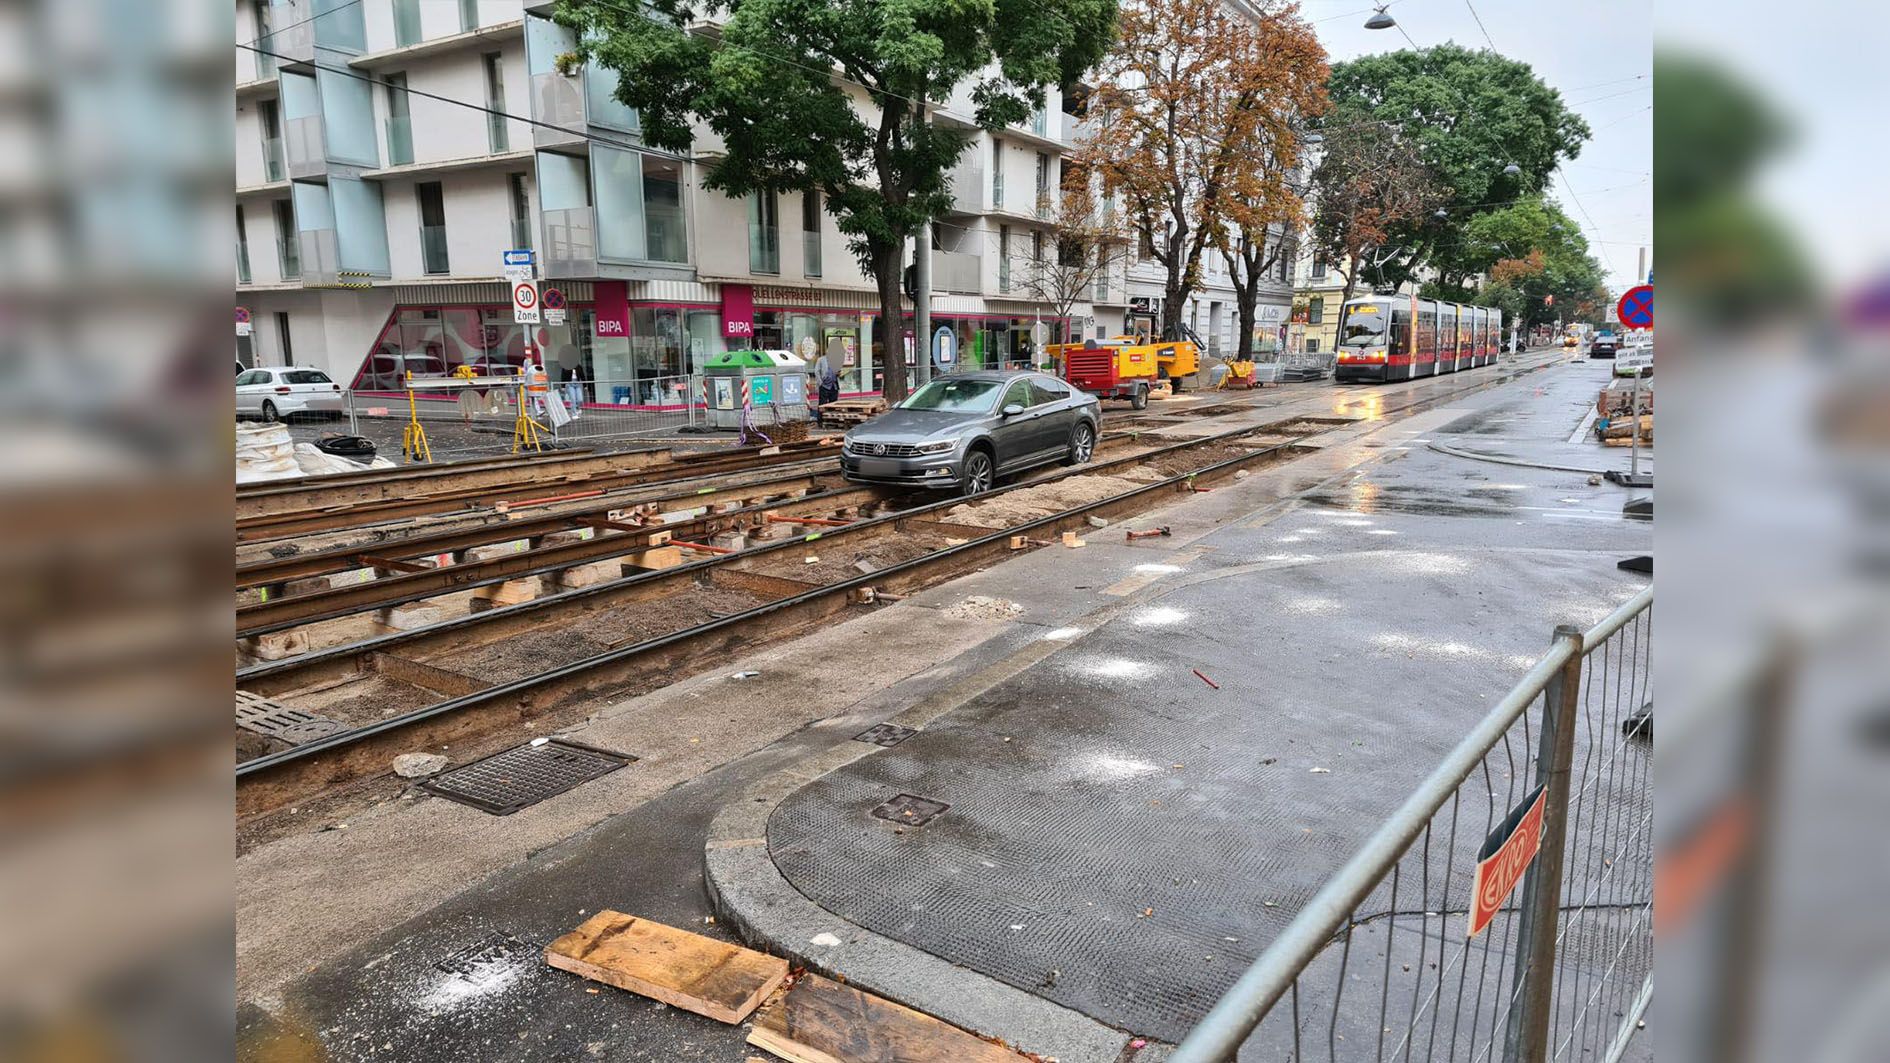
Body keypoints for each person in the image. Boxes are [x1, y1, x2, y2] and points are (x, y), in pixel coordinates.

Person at [814, 349, 840, 425]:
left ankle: (831, 420)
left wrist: (838, 373)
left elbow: (838, 371)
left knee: (833, 403)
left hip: (834, 385)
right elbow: (816, 371)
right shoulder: (821, 359)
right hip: (824, 385)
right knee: (822, 404)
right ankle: (821, 421)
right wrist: (820, 382)